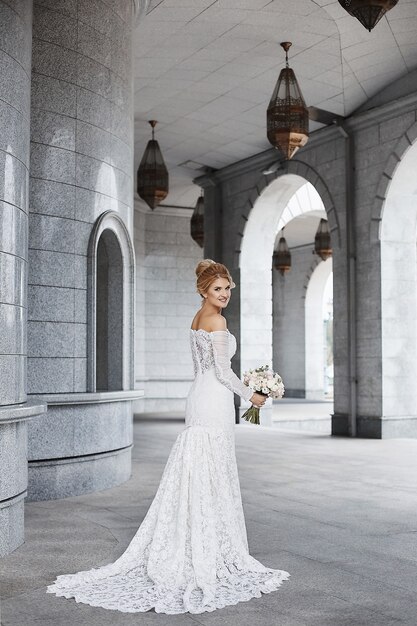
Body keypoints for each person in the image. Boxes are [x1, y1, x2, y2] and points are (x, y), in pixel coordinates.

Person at [46, 259, 290, 614]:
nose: (224, 296)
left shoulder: (196, 319)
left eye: (227, 290)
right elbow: (223, 372)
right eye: (217, 289)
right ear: (204, 290)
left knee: (200, 465)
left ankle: (196, 539)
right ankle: (208, 549)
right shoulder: (217, 321)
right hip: (215, 398)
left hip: (198, 395)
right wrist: (251, 395)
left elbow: (203, 369)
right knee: (211, 466)